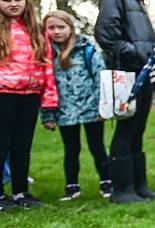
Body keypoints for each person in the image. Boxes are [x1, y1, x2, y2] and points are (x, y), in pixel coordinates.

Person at [94, 0, 155, 203]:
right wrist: (136, 53)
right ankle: (122, 189)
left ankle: (139, 185)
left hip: (143, 74)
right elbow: (107, 35)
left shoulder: (137, 0)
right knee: (125, 128)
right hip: (126, 74)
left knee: (138, 128)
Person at [0, 0, 58, 210]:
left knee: (22, 145)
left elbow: (47, 67)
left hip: (30, 95)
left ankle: (20, 192)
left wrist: (50, 101)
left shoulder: (35, 30)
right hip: (3, 94)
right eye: (7, 0)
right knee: (2, 144)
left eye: (17, 0)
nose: (13, 4)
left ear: (26, 1)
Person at [41, 11, 111, 200]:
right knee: (71, 149)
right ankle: (72, 186)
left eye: (61, 27)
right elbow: (45, 86)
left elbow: (100, 78)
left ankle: (107, 182)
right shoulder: (46, 54)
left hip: (91, 108)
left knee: (97, 146)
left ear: (70, 28)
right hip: (65, 111)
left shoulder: (87, 49)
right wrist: (48, 115)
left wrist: (103, 107)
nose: (56, 32)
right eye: (52, 28)